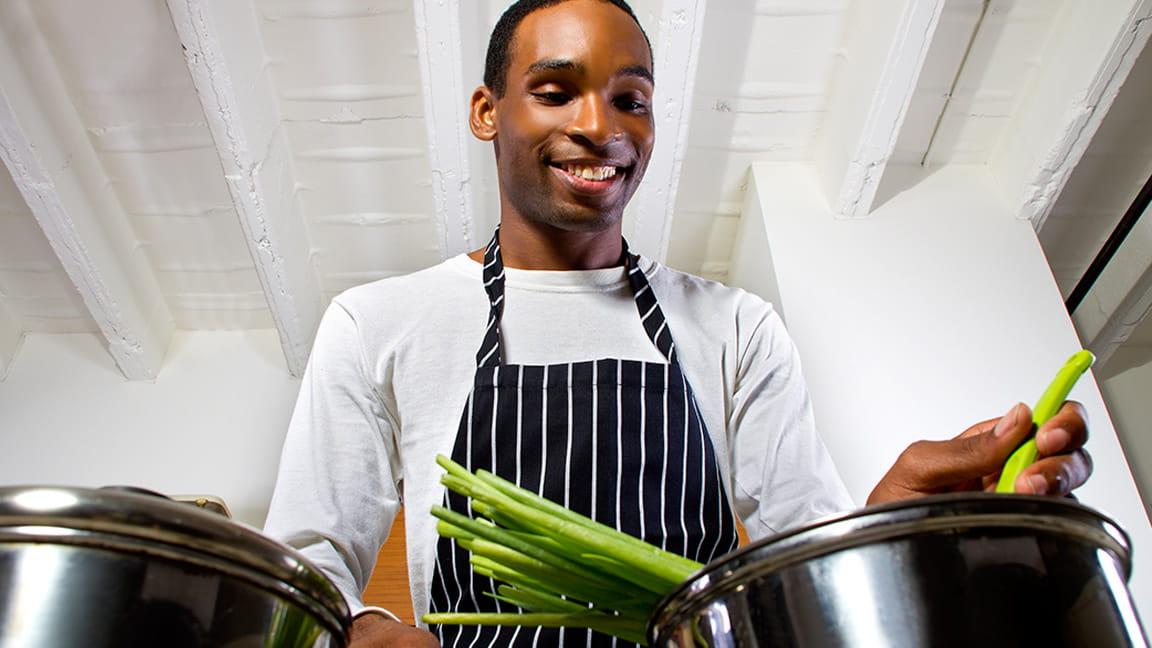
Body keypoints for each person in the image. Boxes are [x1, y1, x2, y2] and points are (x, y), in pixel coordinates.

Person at [263, 1, 1093, 646]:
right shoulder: (379, 325)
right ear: (488, 110)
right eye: (555, 91)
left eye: (633, 99)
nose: (603, 126)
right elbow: (303, 569)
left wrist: (904, 532)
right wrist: (362, 627)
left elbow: (802, 568)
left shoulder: (738, 328)